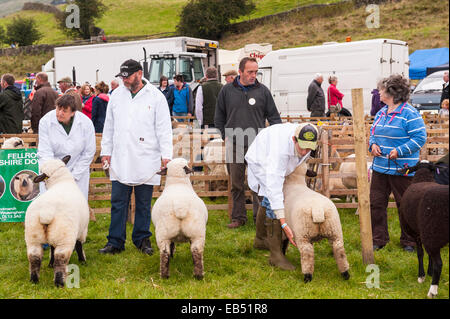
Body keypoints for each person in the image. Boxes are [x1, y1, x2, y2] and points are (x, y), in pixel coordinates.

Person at [99, 59, 173, 255]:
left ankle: (142, 238)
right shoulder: (116, 95)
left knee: (143, 202)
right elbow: (109, 126)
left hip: (145, 156)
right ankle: (115, 240)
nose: (124, 80)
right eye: (121, 76)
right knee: (118, 201)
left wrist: (167, 156)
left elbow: (164, 129)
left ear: (139, 74)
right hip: (121, 156)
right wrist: (105, 151)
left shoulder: (156, 97)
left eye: (127, 76)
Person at [215, 57, 282, 229]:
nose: (254, 75)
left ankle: (260, 218)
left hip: (257, 144)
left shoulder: (263, 92)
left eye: (255, 72)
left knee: (258, 183)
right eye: (250, 72)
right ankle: (238, 217)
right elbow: (219, 116)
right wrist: (225, 135)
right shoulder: (227, 91)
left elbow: (274, 118)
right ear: (240, 72)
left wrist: (274, 139)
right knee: (236, 183)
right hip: (234, 142)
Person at [245, 122, 318, 269]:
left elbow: (298, 157)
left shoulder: (305, 140)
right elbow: (274, 185)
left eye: (308, 148)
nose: (304, 152)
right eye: (301, 147)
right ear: (294, 139)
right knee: (273, 198)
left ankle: (260, 240)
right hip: (261, 161)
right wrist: (284, 224)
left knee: (269, 196)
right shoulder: (280, 151)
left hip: (276, 159)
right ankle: (276, 255)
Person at [369, 74, 427, 253]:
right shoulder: (381, 112)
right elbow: (373, 132)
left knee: (406, 204)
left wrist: (399, 151)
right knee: (376, 203)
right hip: (380, 167)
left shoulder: (410, 113)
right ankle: (378, 239)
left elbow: (420, 137)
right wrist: (373, 144)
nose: (378, 92)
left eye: (381, 89)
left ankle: (409, 241)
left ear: (391, 91)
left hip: (402, 169)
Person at [37, 94, 96, 200]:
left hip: (78, 171)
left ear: (73, 112)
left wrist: (73, 176)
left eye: (64, 111)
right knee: (52, 208)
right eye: (58, 109)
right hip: (52, 173)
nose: (60, 113)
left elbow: (88, 152)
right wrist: (55, 174)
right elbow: (45, 151)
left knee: (75, 208)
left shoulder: (86, 123)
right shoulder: (45, 122)